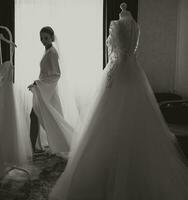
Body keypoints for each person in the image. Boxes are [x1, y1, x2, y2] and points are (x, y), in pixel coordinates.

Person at [49, 3, 188, 200]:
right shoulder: (135, 27)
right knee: (131, 123)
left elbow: (112, 52)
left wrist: (109, 77)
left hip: (118, 73)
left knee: (110, 123)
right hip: (134, 74)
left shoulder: (116, 25)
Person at [28, 26, 74, 155]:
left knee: (37, 115)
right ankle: (36, 147)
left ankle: (34, 148)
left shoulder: (52, 53)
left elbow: (56, 75)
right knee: (38, 116)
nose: (43, 40)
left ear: (52, 38)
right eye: (41, 38)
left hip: (47, 90)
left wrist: (38, 83)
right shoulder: (47, 51)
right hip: (43, 88)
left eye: (46, 38)